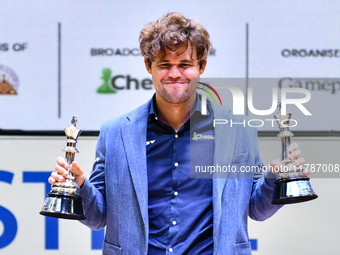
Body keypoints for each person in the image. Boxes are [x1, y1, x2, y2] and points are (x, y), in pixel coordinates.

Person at [49, 12, 304, 255]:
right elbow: (98, 217)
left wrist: (275, 179)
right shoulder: (115, 133)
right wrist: (80, 185)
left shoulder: (238, 131)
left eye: (184, 64)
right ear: (149, 66)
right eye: (164, 65)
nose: (174, 74)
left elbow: (257, 209)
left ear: (201, 66)